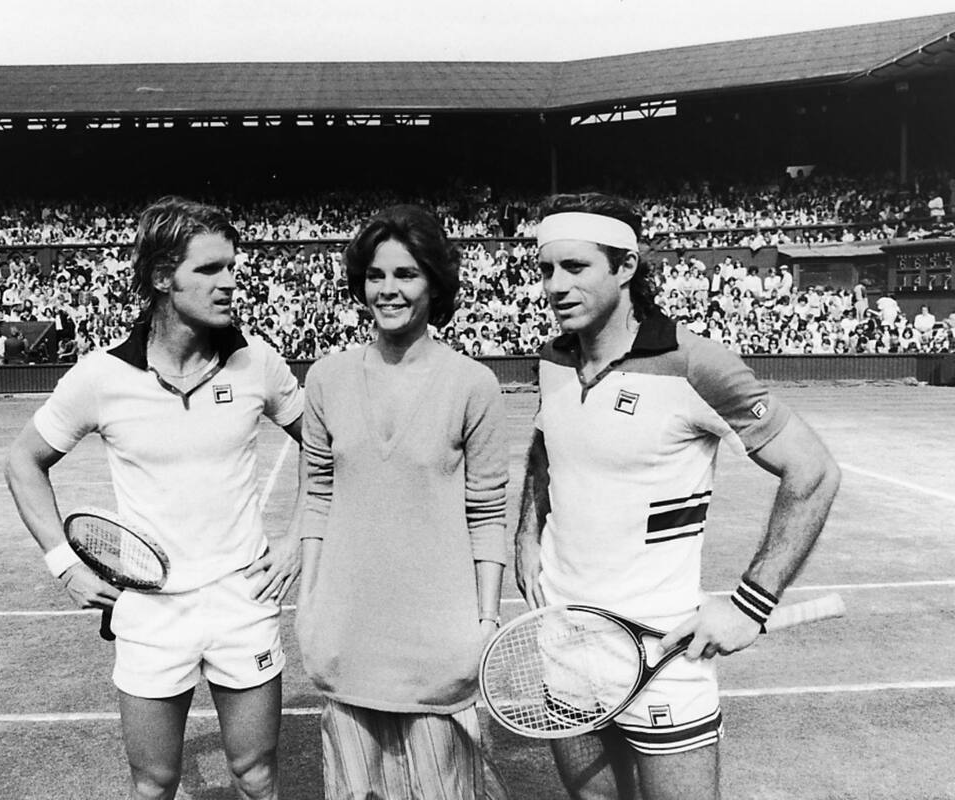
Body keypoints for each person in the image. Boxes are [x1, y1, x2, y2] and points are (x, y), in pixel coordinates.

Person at [514, 193, 841, 800]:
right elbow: (545, 448)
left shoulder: (695, 364)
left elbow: (813, 471)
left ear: (627, 267)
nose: (555, 286)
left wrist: (748, 606)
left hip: (662, 651)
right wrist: (527, 533)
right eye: (546, 269)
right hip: (564, 637)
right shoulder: (553, 359)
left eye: (576, 267)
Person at [5, 196, 305, 800]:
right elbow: (23, 463)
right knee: (153, 783)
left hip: (241, 601)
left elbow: (323, 450)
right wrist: (64, 564)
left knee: (257, 774)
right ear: (163, 277)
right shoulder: (100, 376)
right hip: (149, 610)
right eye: (210, 269)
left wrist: (299, 537)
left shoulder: (258, 364)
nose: (229, 282)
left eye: (232, 267)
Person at [297, 204, 511, 800]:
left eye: (406, 274)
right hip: (347, 630)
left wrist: (484, 623)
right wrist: (309, 607)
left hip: (438, 638)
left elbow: (487, 512)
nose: (388, 289)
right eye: (375, 275)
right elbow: (316, 495)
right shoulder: (326, 379)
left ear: (434, 284)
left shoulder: (474, 384)